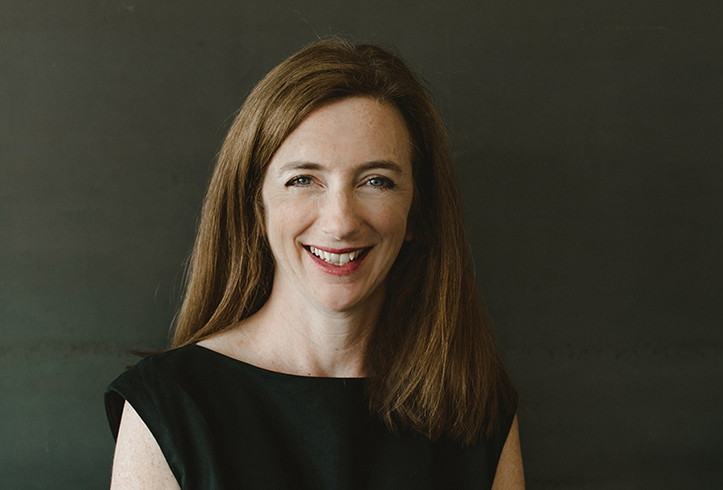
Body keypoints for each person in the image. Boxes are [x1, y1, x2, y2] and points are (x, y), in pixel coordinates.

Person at [105, 38, 523, 489]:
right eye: (303, 179)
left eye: (376, 181)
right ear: (255, 206)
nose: (340, 223)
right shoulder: (169, 406)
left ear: (417, 212)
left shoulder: (477, 407)